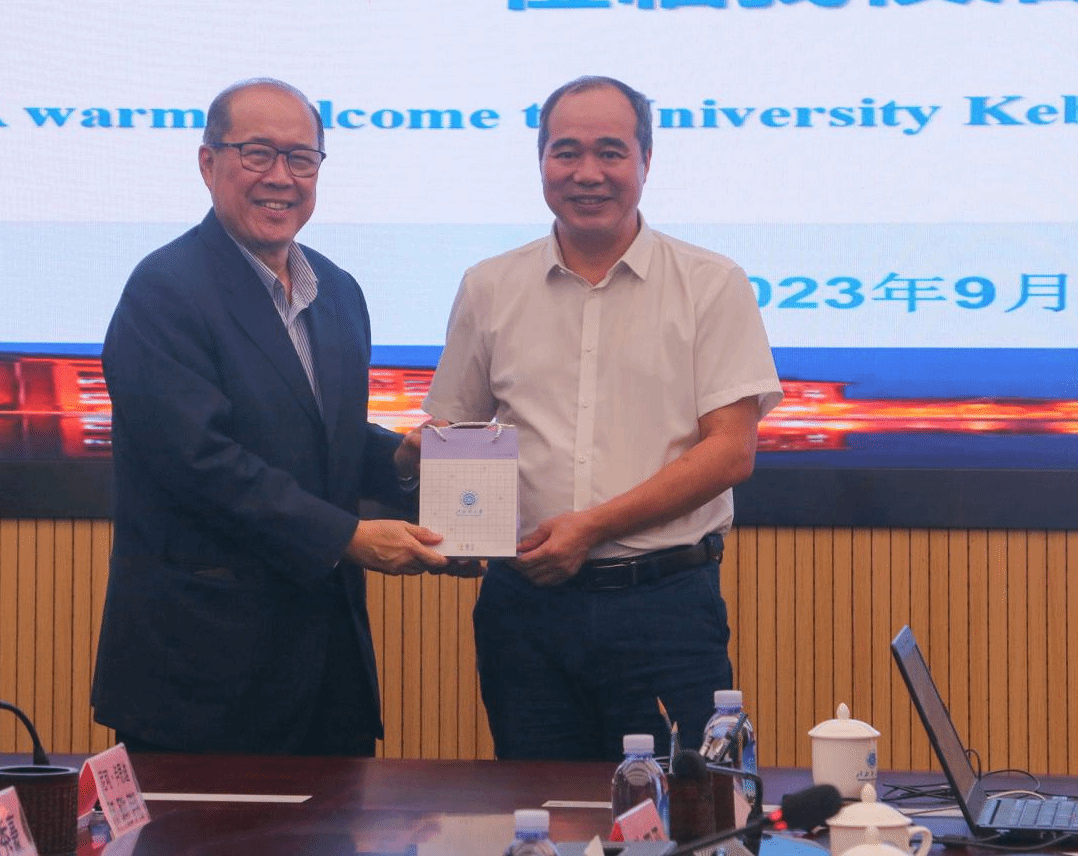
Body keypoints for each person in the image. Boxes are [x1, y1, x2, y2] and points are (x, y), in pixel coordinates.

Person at [92, 77, 459, 756]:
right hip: (202, 675)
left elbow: (317, 435)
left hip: (329, 672)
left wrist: (398, 459)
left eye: (301, 158)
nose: (281, 177)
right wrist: (348, 536)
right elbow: (199, 463)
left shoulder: (338, 291)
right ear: (208, 163)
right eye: (258, 153)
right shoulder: (164, 290)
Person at [422, 75, 783, 760]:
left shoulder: (711, 283)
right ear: (541, 161)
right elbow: (454, 432)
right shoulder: (488, 285)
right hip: (524, 611)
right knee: (538, 803)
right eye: (566, 152)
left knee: (684, 807)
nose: (587, 173)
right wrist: (431, 490)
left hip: (665, 608)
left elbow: (731, 451)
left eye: (610, 152)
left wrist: (589, 527)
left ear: (645, 161)